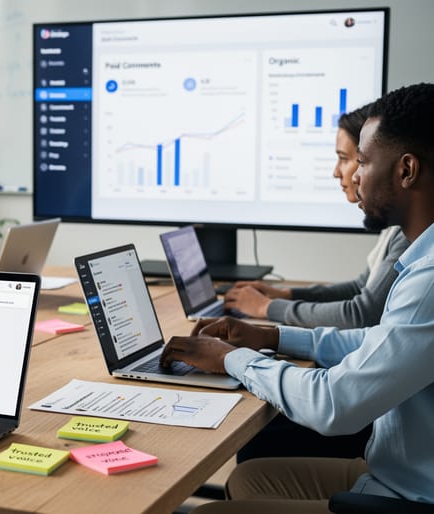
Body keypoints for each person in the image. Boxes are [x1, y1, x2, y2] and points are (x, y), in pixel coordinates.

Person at [161, 82, 434, 512]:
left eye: (362, 161)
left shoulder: (429, 279)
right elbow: (381, 342)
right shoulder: (421, 259)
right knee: (251, 477)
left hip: (410, 496)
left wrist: (231, 359)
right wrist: (272, 337)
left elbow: (334, 405)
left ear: (406, 170)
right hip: (397, 472)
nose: (353, 175)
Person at [223, 105, 410, 330]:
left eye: (349, 159)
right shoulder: (394, 228)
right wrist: (287, 294)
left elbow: (362, 314)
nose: (336, 172)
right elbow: (361, 287)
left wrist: (267, 307)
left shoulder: (409, 235)